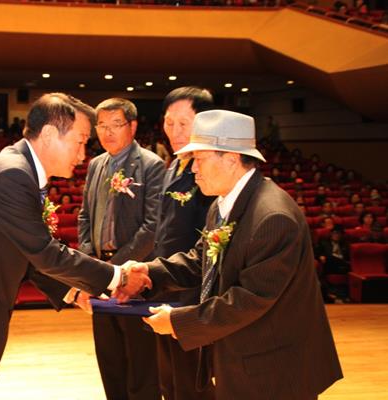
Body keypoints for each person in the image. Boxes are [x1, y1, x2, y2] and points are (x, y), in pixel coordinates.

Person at [0, 93, 151, 400]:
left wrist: (74, 290)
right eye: (80, 141)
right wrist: (118, 278)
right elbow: (44, 253)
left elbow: (27, 253)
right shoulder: (11, 175)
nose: (83, 154)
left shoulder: (17, 170)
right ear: (48, 134)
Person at [131, 110, 342, 399]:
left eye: (200, 159)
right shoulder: (223, 203)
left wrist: (180, 322)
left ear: (231, 159)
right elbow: (201, 260)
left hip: (274, 368)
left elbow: (250, 298)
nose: (193, 169)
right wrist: (149, 272)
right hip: (244, 356)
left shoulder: (273, 216)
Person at [76, 98, 165, 400]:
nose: (108, 132)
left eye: (116, 124)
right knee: (109, 357)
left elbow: (152, 226)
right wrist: (90, 262)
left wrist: (118, 268)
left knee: (141, 361)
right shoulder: (96, 165)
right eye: (102, 125)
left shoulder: (151, 165)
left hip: (135, 274)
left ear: (133, 126)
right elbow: (85, 216)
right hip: (101, 273)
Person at [150, 87, 216, 400]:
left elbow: (209, 243)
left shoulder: (209, 173)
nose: (174, 131)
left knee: (192, 384)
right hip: (166, 287)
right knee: (168, 380)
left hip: (191, 294)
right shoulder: (173, 166)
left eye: (183, 123)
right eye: (169, 122)